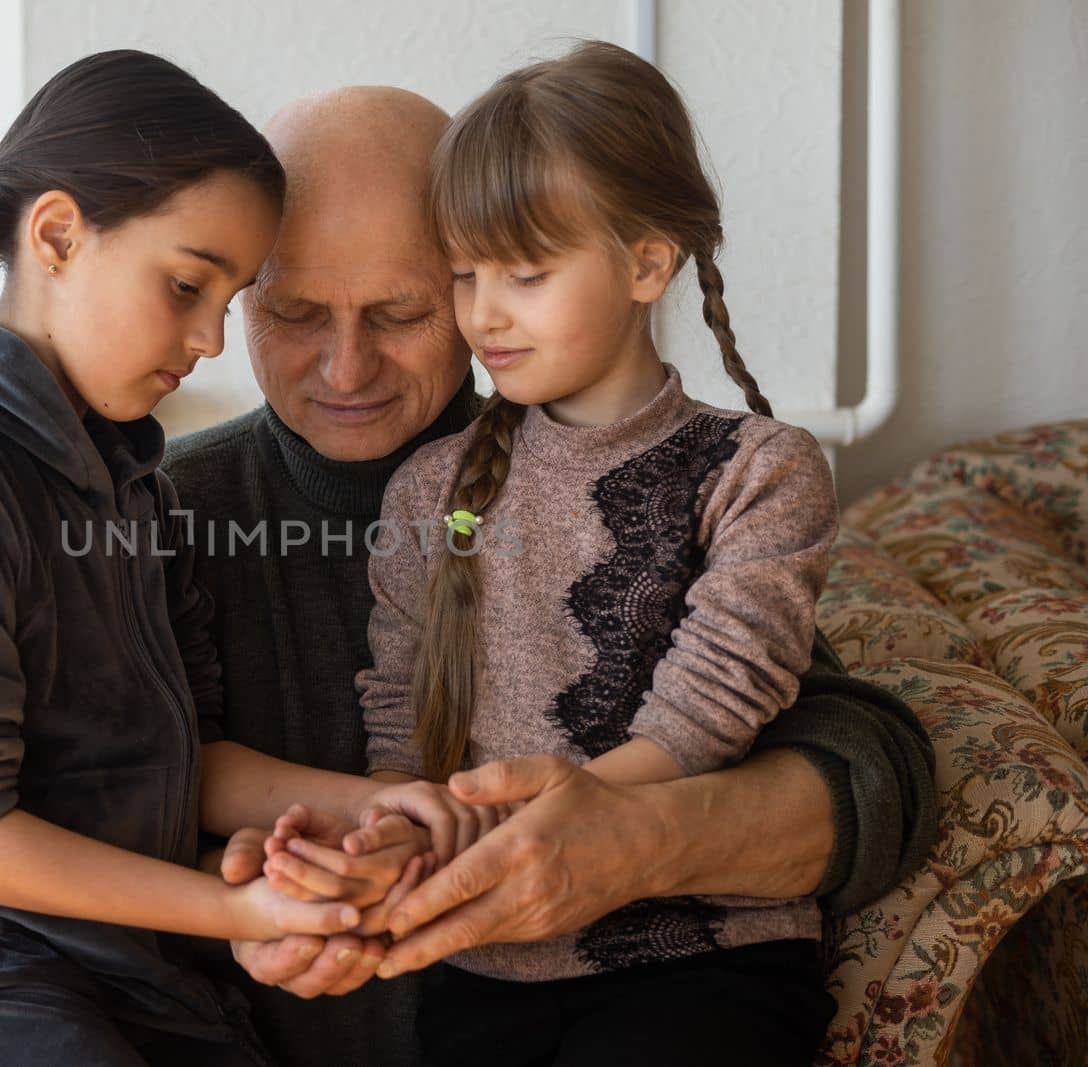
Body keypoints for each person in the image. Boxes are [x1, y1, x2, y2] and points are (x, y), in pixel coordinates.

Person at [0, 50, 482, 1066]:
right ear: (56, 236)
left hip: (120, 977)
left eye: (229, 298)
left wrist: (370, 802)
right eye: (185, 285)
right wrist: (233, 907)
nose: (211, 340)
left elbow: (170, 761)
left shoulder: (121, 471)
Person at [163, 80, 937, 1067]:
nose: (345, 368)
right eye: (295, 312)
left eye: (401, 310)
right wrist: (232, 885)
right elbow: (79, 788)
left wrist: (630, 833)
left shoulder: (646, 468)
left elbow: (864, 759)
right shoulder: (165, 511)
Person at [343, 41, 839, 1064]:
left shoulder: (762, 469)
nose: (483, 311)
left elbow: (711, 703)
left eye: (525, 272)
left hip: (704, 958)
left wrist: (561, 832)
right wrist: (393, 830)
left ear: (647, 262)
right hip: (483, 961)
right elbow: (397, 715)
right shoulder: (427, 491)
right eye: (465, 271)